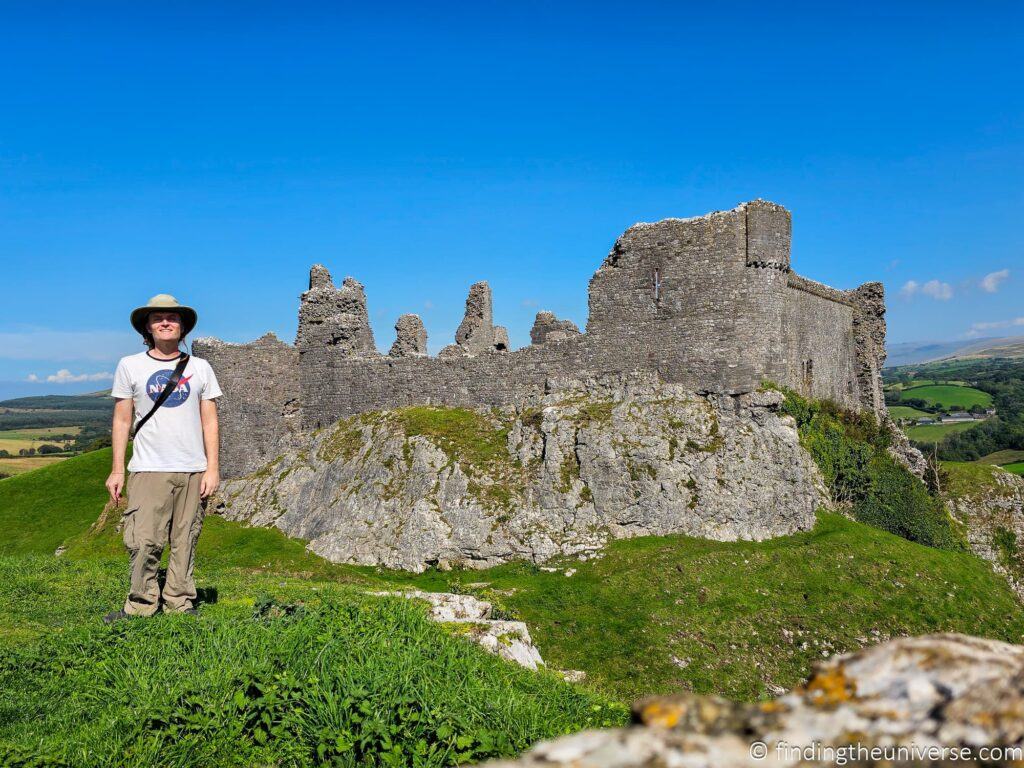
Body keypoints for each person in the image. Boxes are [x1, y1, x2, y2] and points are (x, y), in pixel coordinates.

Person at [103, 294, 222, 623]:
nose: (166, 322)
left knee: (185, 539)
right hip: (148, 467)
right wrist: (117, 470)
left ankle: (179, 604)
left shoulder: (200, 367)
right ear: (148, 327)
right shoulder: (130, 365)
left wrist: (212, 468)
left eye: (172, 317)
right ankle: (141, 605)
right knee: (144, 540)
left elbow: (209, 420)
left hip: (192, 469)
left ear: (182, 327)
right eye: (158, 318)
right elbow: (122, 420)